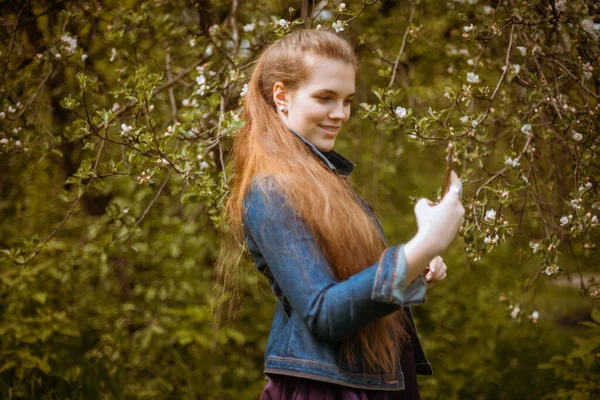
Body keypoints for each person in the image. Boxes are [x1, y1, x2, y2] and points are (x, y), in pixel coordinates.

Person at [225, 29, 465, 399]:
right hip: (326, 388)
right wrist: (420, 247)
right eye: (325, 98)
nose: (340, 114)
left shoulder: (322, 178)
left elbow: (349, 286)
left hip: (368, 379)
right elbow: (324, 312)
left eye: (347, 100)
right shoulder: (272, 190)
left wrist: (414, 266)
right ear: (282, 97)